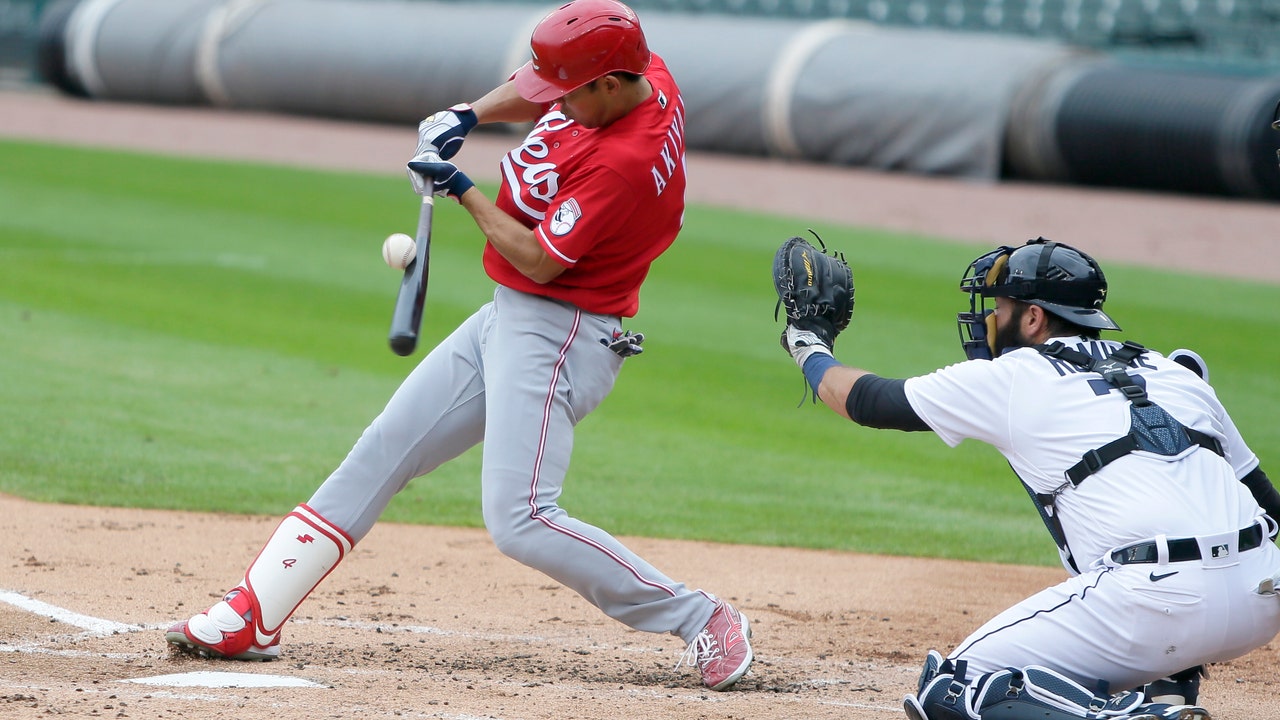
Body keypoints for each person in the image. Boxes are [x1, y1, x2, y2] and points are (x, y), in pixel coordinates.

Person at [165, 0, 754, 692]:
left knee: (522, 519)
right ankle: (254, 612)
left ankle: (701, 617)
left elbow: (537, 259)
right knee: (385, 446)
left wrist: (460, 188)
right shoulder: (641, 67)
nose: (553, 102)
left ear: (608, 86)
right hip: (512, 316)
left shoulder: (624, 163)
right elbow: (537, 84)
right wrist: (468, 116)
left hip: (563, 332)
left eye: (568, 93)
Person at [776, 236, 1280, 719]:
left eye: (1000, 307)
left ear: (1034, 317)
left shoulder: (1013, 378)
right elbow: (1269, 504)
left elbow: (868, 401)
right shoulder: (1175, 373)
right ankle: (1169, 691)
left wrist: (808, 345)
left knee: (951, 687)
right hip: (1262, 595)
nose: (991, 319)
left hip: (1156, 604)